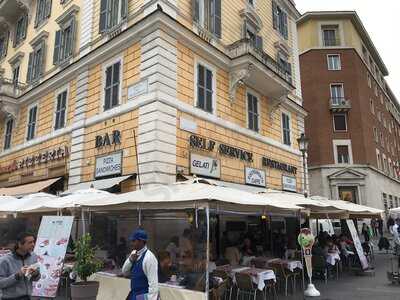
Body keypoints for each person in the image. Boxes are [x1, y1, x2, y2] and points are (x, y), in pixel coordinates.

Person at [0, 232, 40, 300]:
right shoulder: (5, 260)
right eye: (30, 242)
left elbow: (36, 279)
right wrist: (17, 275)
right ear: (20, 244)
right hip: (10, 298)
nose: (33, 244)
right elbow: (1, 284)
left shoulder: (33, 257)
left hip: (27, 297)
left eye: (33, 242)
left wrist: (36, 274)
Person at [122, 229, 159, 300]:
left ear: (141, 241)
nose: (131, 243)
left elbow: (153, 285)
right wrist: (130, 260)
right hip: (133, 294)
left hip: (143, 296)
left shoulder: (149, 258)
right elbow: (124, 272)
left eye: (134, 241)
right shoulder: (133, 253)